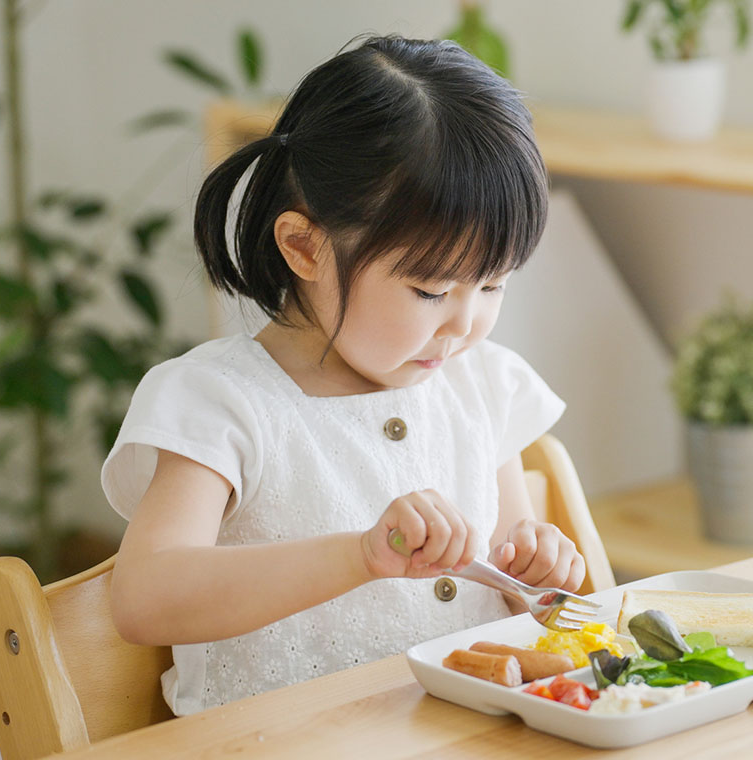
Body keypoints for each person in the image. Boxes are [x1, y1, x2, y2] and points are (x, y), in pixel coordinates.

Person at [103, 34, 584, 716]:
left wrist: (534, 568)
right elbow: (145, 599)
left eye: (495, 285)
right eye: (430, 290)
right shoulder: (220, 403)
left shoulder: (478, 386)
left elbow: (510, 583)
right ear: (304, 246)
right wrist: (359, 555)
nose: (465, 325)